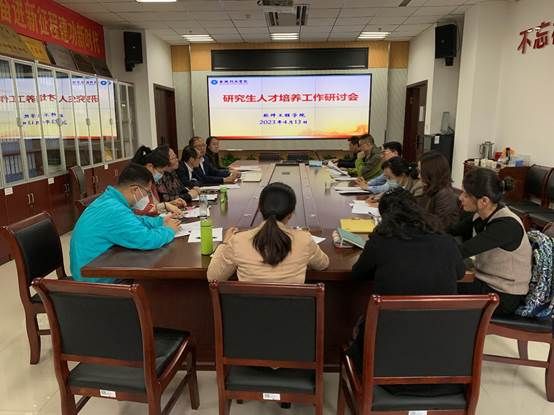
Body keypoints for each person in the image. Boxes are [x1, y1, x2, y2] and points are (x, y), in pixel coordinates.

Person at [349, 188, 465, 396]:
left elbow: (357, 275)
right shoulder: (445, 240)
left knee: (360, 324)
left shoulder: (381, 241)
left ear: (385, 217)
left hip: (386, 363)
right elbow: (460, 273)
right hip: (444, 361)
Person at [70, 163, 180, 283]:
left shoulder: (110, 200)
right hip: (97, 280)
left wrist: (160, 221)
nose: (148, 197)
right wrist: (169, 230)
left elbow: (136, 220)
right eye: (147, 192)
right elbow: (147, 239)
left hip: (102, 265)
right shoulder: (114, 209)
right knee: (162, 281)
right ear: (135, 189)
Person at [207, 182, 329, 283]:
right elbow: (323, 264)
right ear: (291, 214)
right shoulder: (304, 239)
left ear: (259, 208)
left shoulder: (238, 241)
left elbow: (213, 277)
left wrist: (225, 244)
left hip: (248, 306)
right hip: (292, 306)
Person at [452, 168, 532, 315]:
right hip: (486, 281)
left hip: (504, 295)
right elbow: (451, 230)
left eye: (466, 195)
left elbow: (463, 251)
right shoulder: (480, 215)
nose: (460, 198)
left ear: (484, 201)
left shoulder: (506, 225)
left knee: (441, 285)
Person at [131, 145, 187, 216]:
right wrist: (165, 205)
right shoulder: (137, 186)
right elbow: (144, 211)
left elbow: (155, 205)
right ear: (150, 166)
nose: (162, 175)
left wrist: (172, 203)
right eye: (161, 171)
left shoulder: (151, 184)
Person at [417, 150, 461, 232]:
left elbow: (439, 226)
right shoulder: (430, 189)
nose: (418, 176)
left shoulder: (445, 194)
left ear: (431, 173)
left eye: (421, 172)